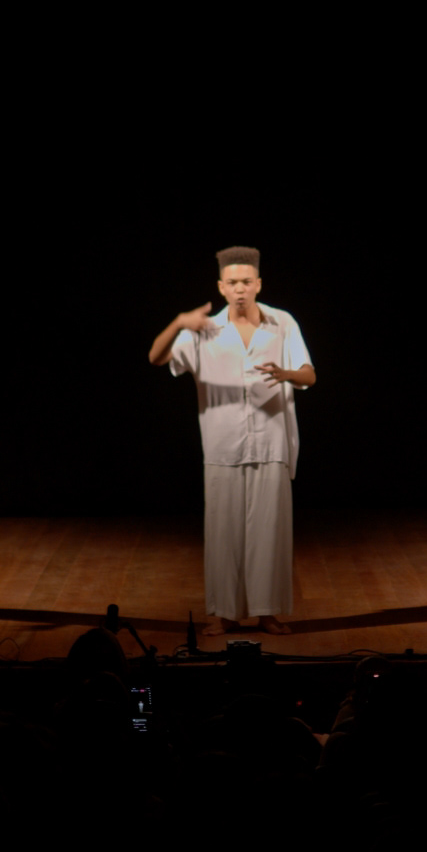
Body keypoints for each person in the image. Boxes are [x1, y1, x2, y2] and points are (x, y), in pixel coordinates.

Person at [148, 246, 316, 637]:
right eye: (232, 282)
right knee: (224, 534)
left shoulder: (282, 323)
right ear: (221, 287)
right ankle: (224, 614)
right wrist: (179, 321)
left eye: (246, 282)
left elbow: (310, 374)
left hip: (271, 441)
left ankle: (267, 612)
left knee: (269, 533)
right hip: (223, 445)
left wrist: (287, 374)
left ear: (258, 284)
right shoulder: (204, 329)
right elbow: (156, 357)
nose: (240, 289)